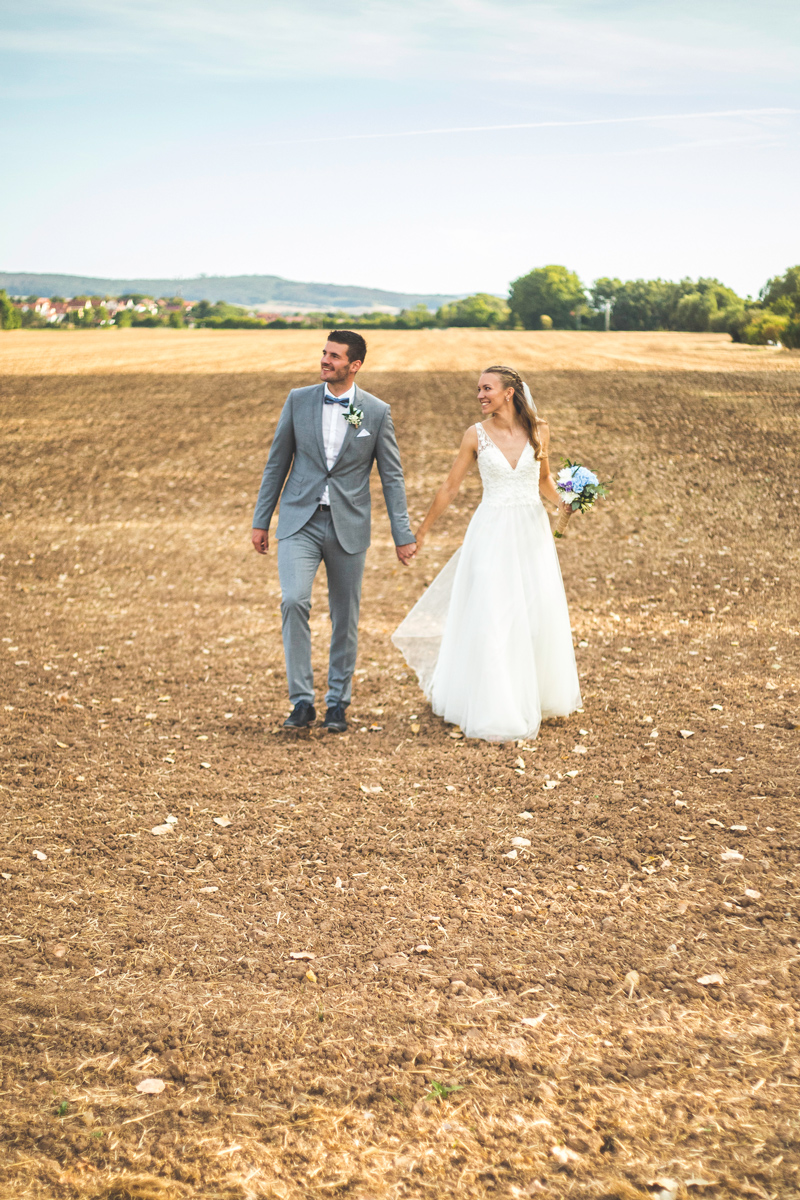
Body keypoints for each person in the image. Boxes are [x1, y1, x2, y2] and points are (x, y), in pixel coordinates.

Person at [392, 365, 582, 742]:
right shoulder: (474, 436)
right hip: (491, 531)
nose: (479, 395)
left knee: (531, 612)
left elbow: (543, 480)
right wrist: (422, 532)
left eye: (486, 388)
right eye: (478, 389)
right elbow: (450, 487)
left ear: (509, 392)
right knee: (495, 612)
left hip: (531, 531)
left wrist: (566, 504)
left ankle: (534, 693)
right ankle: (497, 707)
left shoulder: (539, 430)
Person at [252, 330, 416, 732]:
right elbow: (277, 463)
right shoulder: (298, 399)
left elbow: (391, 477)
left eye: (334, 356)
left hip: (349, 524)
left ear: (354, 365)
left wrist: (403, 533)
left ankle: (338, 702)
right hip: (299, 521)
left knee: (345, 617)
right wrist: (261, 519)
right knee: (293, 601)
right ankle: (302, 701)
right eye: (324, 353)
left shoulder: (375, 412)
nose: (325, 360)